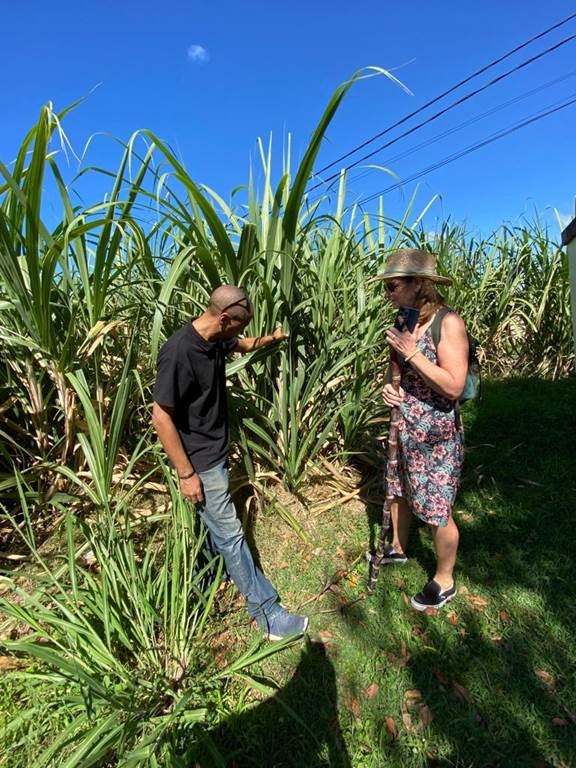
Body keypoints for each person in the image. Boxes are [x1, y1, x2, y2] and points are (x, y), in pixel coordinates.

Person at [152, 285, 309, 639]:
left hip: (214, 455)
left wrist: (272, 338)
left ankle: (205, 584)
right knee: (232, 535)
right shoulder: (179, 353)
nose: (238, 334)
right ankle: (268, 615)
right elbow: (160, 417)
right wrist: (187, 474)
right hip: (200, 464)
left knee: (215, 532)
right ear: (224, 318)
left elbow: (242, 344)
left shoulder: (216, 338)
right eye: (237, 326)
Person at [374, 249, 469, 610]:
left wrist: (414, 354)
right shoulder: (405, 319)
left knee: (435, 505)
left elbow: (454, 385)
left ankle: (444, 580)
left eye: (394, 286)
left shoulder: (448, 323)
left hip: (436, 435)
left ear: (420, 284)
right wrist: (390, 387)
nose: (389, 294)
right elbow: (395, 369)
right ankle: (398, 547)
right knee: (398, 489)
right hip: (405, 426)